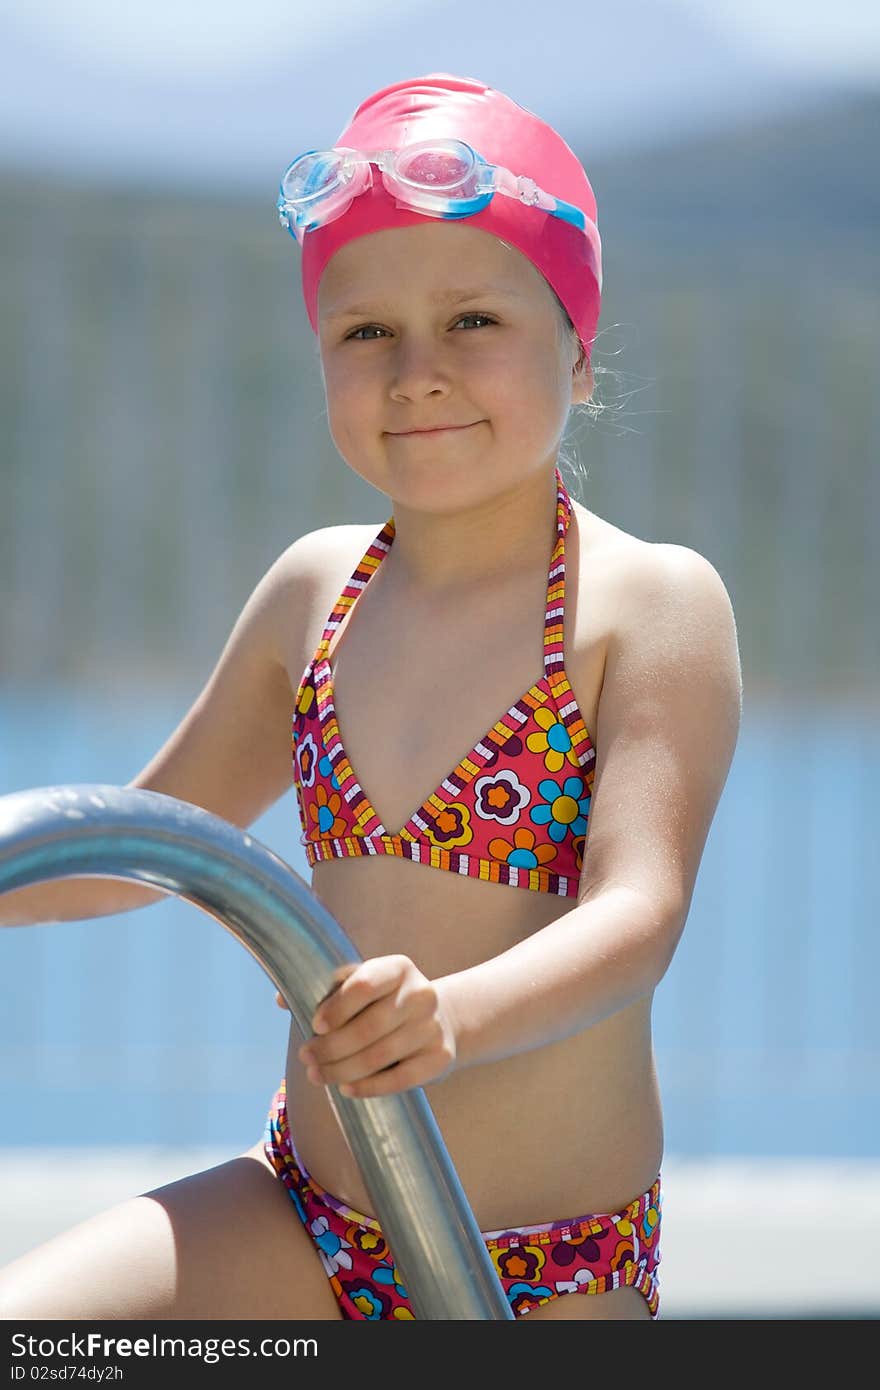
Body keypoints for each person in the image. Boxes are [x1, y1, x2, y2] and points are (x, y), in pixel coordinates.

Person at [0, 72, 742, 1321]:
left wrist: (450, 1016)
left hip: (549, 1263)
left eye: (471, 322)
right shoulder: (314, 594)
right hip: (310, 1209)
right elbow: (131, 847)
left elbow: (638, 914)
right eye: (364, 333)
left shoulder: (644, 603)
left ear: (576, 340)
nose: (415, 373)